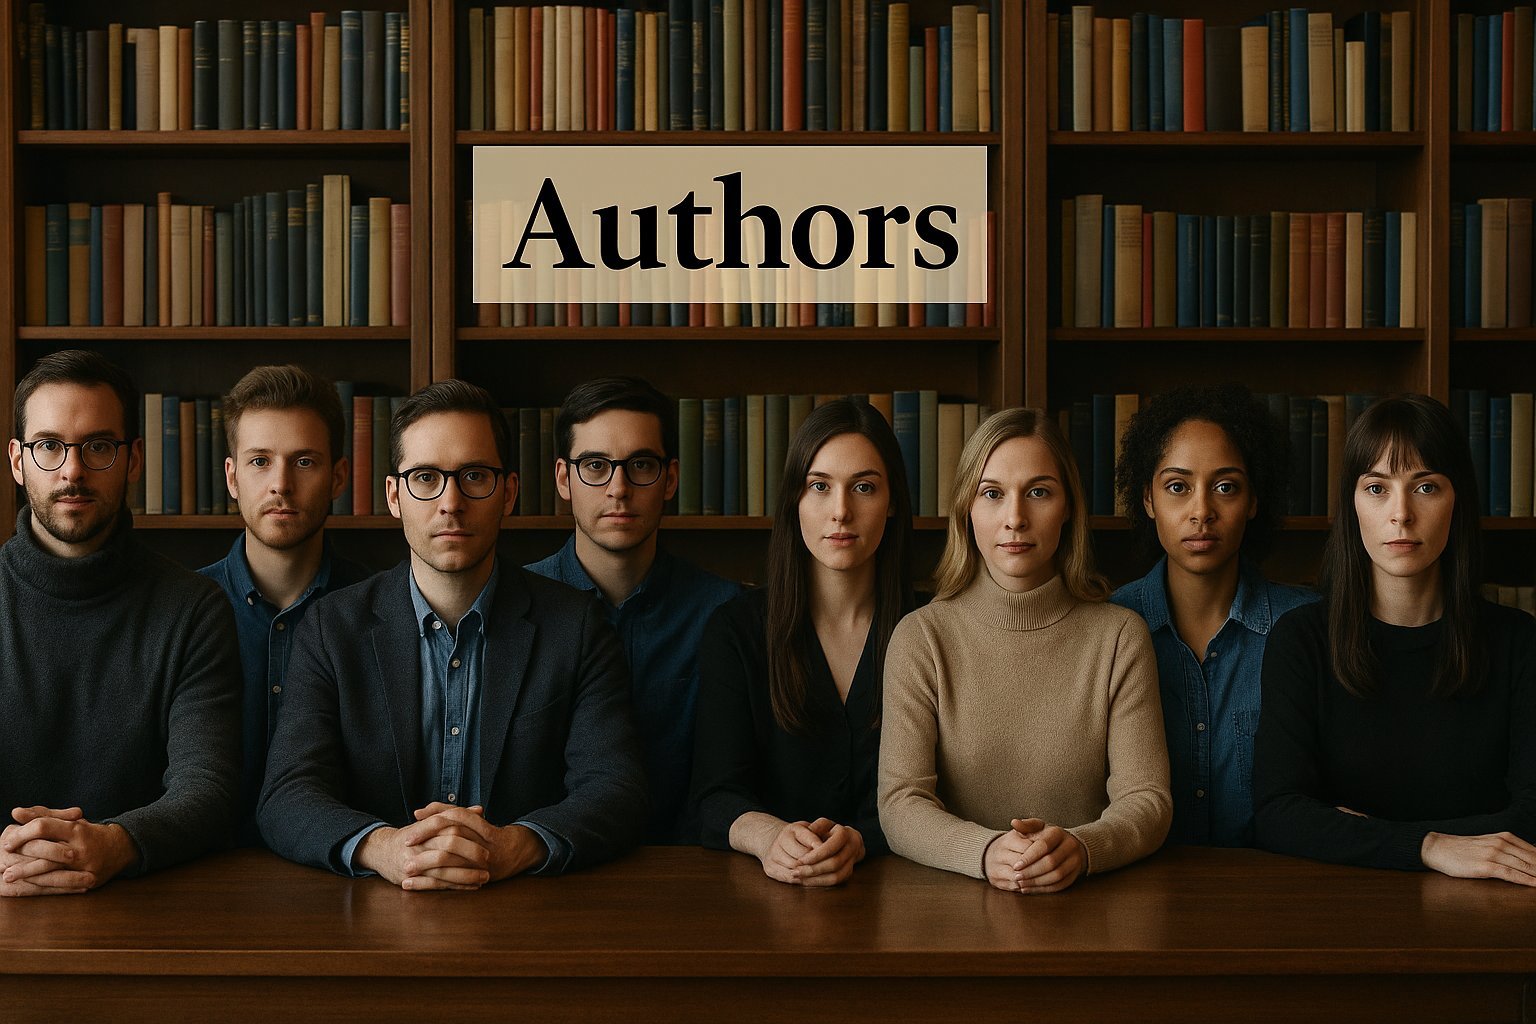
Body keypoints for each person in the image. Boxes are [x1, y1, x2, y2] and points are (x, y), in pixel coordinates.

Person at [259, 379, 648, 889]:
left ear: (507, 492)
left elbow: (617, 789)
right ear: (394, 496)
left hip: (530, 912)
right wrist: (383, 847)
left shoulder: (575, 626)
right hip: (371, 917)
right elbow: (287, 794)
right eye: (425, 477)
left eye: (474, 476)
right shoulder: (333, 628)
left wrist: (516, 845)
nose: (451, 502)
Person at [880, 408, 1171, 893]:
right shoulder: (922, 638)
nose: (1015, 518)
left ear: (1068, 507)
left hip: (1090, 905)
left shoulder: (1119, 636)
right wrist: (987, 850)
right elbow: (899, 803)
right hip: (951, 907)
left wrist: (1081, 848)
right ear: (967, 511)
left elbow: (1148, 799)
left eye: (1039, 492)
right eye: (992, 494)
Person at [1254, 394, 1536, 884]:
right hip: (1340, 908)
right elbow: (1278, 814)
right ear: (1352, 504)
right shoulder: (1302, 641)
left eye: (1425, 486)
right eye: (1377, 488)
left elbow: (1530, 819)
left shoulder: (1520, 644)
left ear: (1457, 500)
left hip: (1487, 913)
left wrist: (1359, 833)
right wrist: (1428, 846)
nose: (1401, 514)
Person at [0, 350, 240, 896]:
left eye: (98, 446)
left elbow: (210, 788)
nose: (73, 470)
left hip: (148, 908)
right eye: (49, 446)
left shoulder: (193, 609)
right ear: (17, 461)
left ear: (133, 460)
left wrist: (116, 843)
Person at [692, 399, 914, 885]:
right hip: (769, 898)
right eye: (819, 486)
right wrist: (769, 836)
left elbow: (949, 795)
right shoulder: (736, 630)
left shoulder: (930, 628)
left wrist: (864, 838)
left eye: (864, 487)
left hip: (906, 897)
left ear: (893, 501)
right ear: (795, 500)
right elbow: (714, 795)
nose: (841, 511)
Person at [526, 377, 739, 843]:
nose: (618, 488)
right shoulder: (514, 606)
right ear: (563, 478)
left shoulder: (727, 614)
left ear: (671, 478)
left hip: (692, 871)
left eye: (640, 465)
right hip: (547, 869)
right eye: (596, 466)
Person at [1111, 384, 1318, 847]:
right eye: (1177, 487)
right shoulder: (1106, 628)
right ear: (1148, 500)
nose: (1201, 511)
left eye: (1225, 487)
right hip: (1139, 895)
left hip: (1277, 896)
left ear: (1254, 501)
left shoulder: (1308, 627)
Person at [199, 366, 372, 844]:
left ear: (338, 476)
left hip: (341, 874)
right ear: (232, 477)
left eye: (304, 462)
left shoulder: (381, 613)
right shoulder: (182, 613)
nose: (280, 484)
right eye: (259, 461)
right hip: (201, 876)